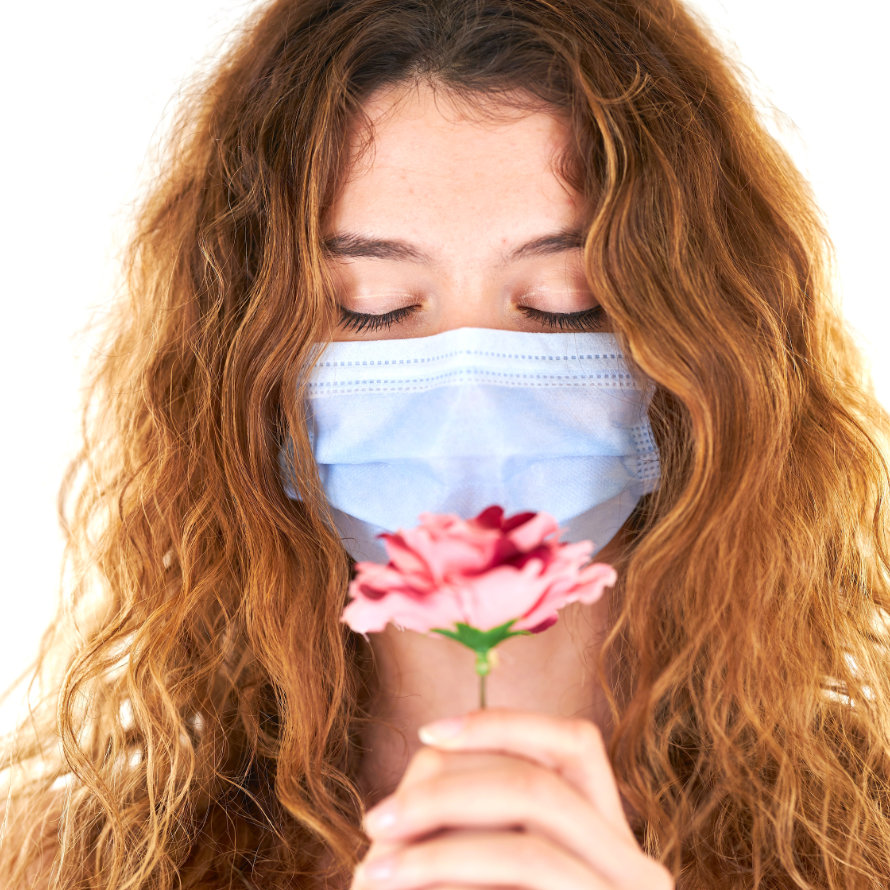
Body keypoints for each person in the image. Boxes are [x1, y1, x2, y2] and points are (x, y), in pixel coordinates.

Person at [2, 0, 889, 888]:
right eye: (371, 306)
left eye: (563, 304)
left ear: (706, 347)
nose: (468, 396)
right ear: (244, 368)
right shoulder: (83, 861)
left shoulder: (866, 837)